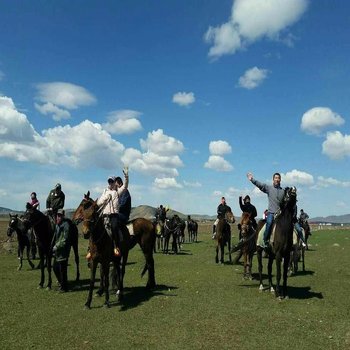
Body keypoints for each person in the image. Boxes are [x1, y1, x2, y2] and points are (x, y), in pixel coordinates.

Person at [96, 167, 129, 258]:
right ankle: (91, 249)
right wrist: (105, 199)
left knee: (114, 227)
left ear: (115, 183)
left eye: (112, 181)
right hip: (104, 215)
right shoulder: (105, 192)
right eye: (109, 181)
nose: (110, 183)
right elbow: (99, 203)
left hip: (113, 215)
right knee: (95, 227)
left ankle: (116, 246)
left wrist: (126, 176)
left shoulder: (117, 192)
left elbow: (125, 186)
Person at [247, 172, 284, 249]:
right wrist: (252, 180)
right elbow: (260, 185)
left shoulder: (283, 191)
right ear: (273, 179)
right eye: (275, 178)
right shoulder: (269, 188)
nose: (277, 179)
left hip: (280, 214)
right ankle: (265, 241)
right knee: (269, 223)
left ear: (280, 180)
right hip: (271, 212)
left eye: (278, 178)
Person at [52, 209, 71, 292]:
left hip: (63, 251)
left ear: (63, 216)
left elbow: (65, 239)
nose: (58, 217)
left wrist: (57, 245)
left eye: (60, 216)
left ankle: (64, 287)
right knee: (55, 267)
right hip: (57, 251)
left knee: (62, 270)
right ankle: (61, 283)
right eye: (57, 215)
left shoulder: (66, 225)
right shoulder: (57, 225)